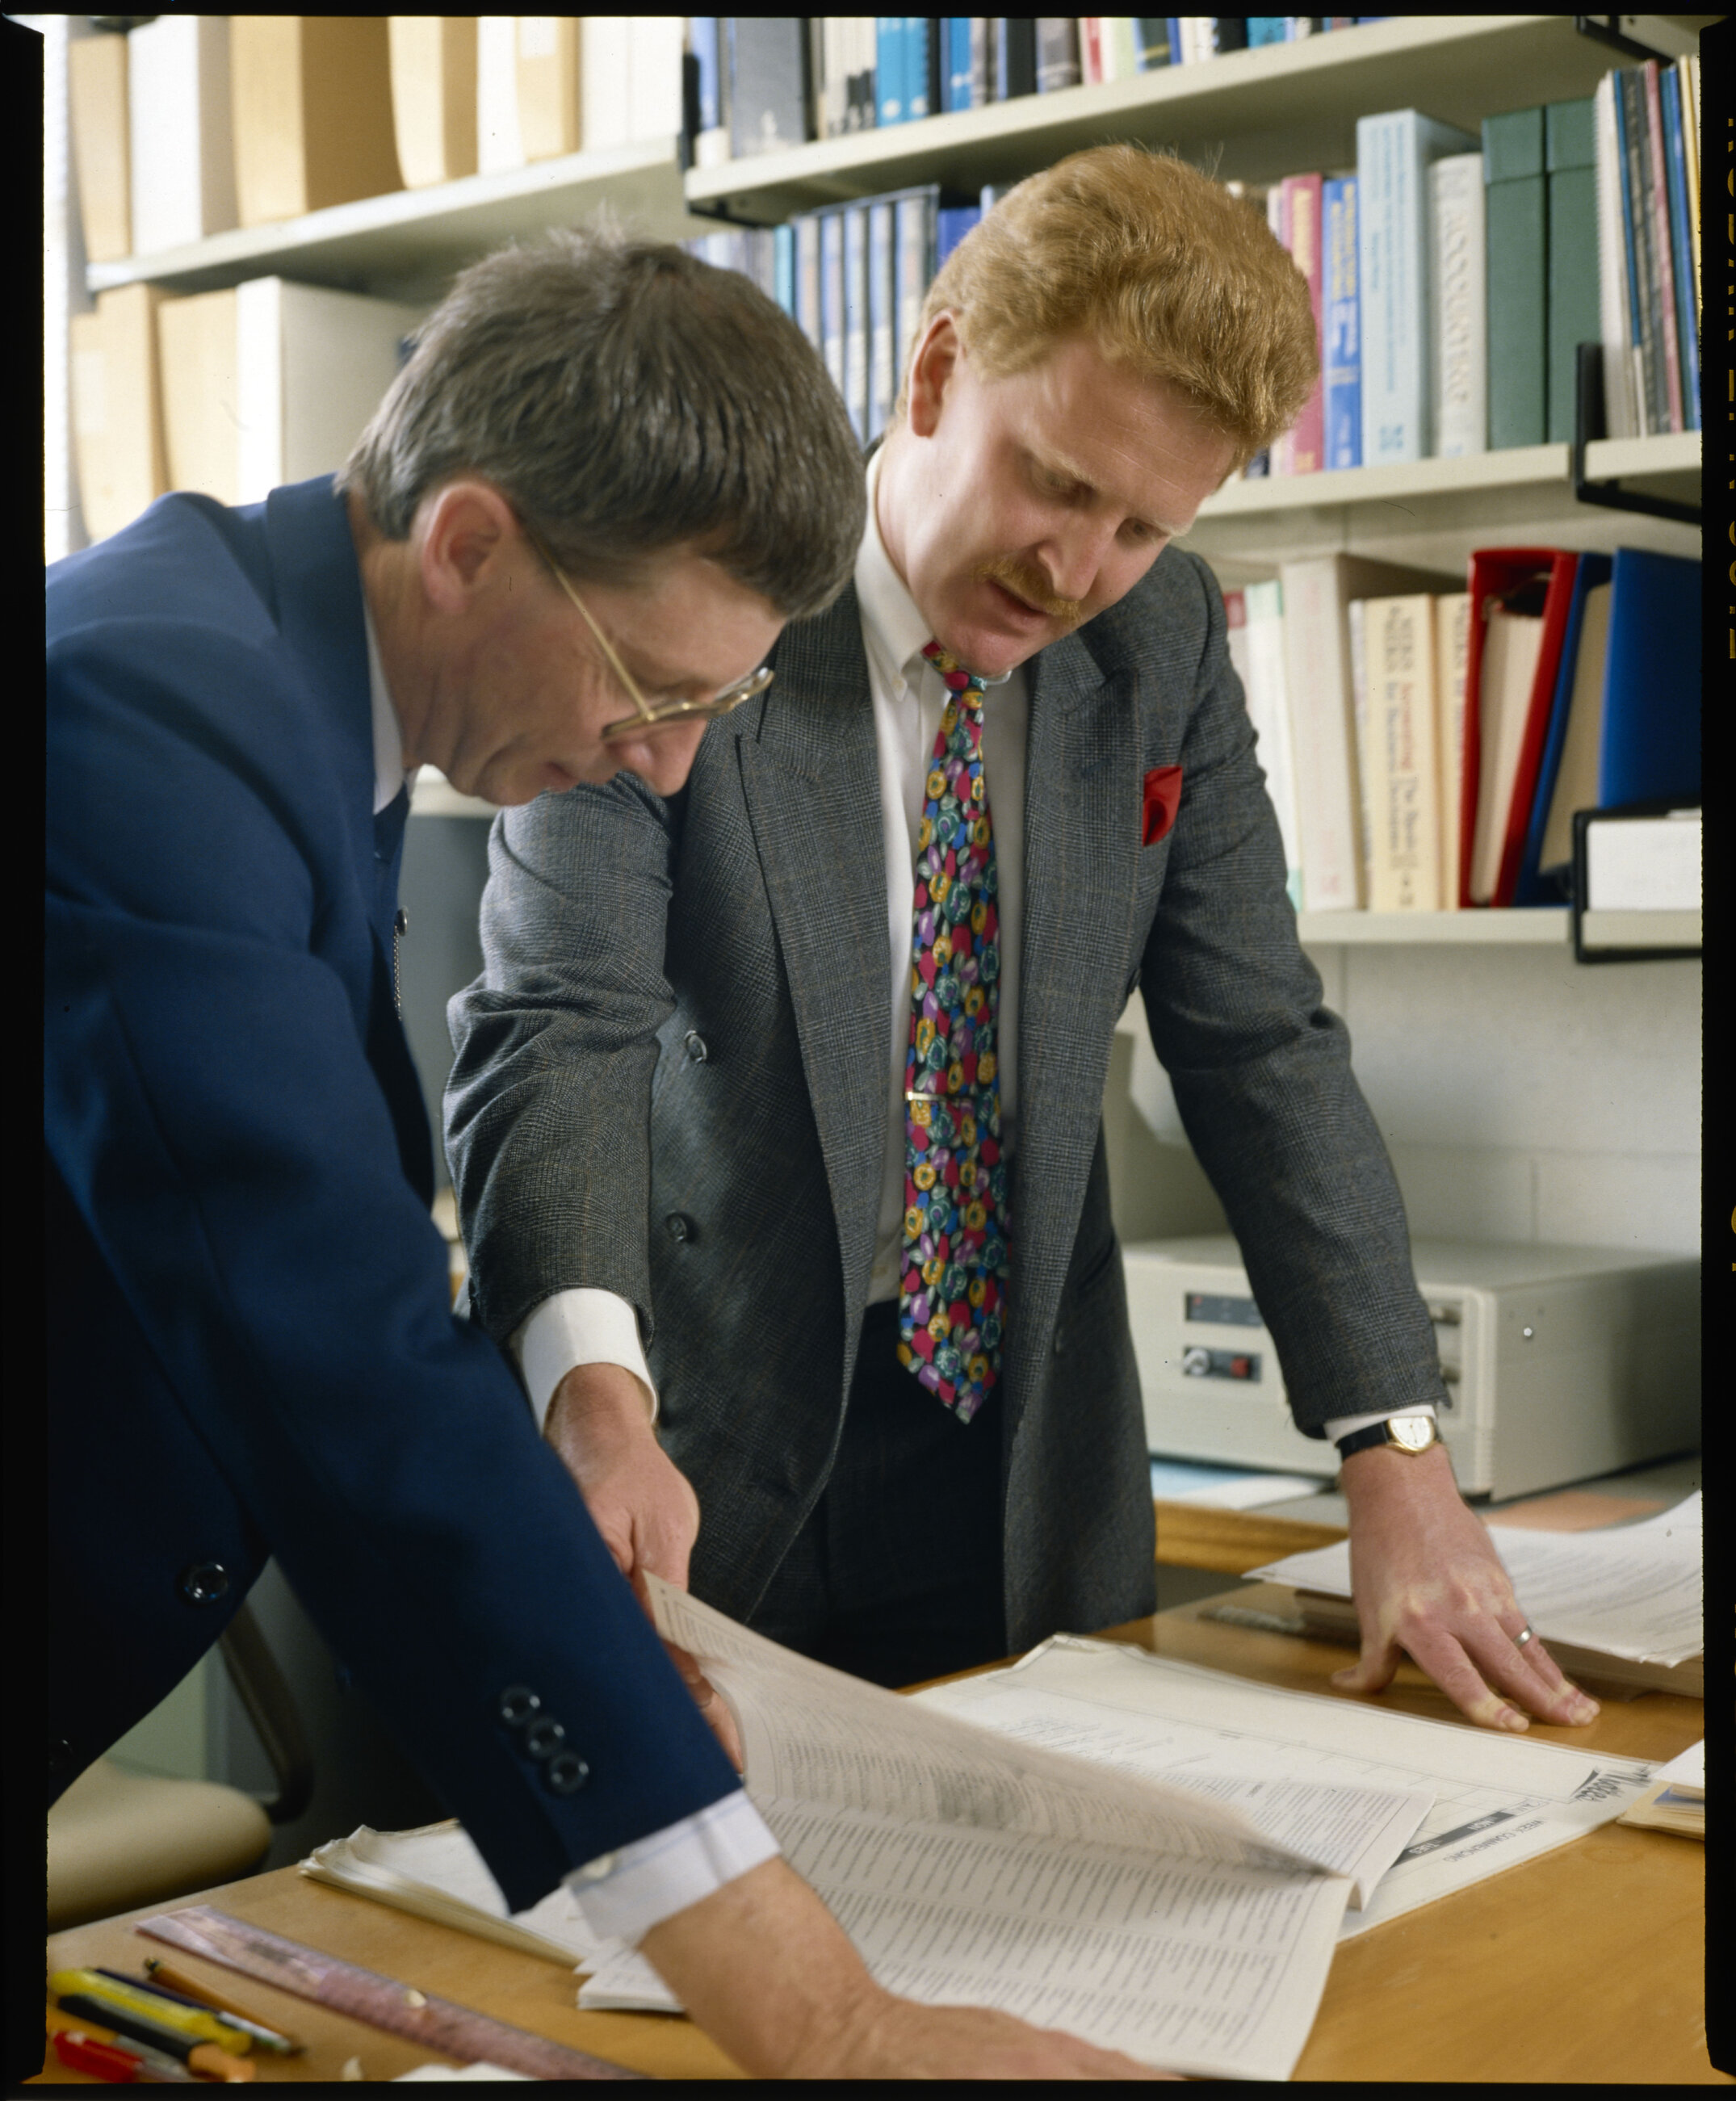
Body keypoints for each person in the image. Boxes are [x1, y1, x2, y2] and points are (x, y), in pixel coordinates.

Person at [45, 229, 1159, 2080]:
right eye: (649, 688)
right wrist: (841, 2030)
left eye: (710, 714)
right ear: (469, 539)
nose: (659, 769)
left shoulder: (276, 684)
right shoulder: (147, 721)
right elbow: (343, 1358)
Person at [447, 150, 1600, 1739]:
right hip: (678, 1435)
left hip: (1013, 1458)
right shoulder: (689, 584)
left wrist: (1393, 1450)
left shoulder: (1162, 639)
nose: (1077, 571)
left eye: (1139, 523)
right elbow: (556, 1021)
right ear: (934, 370)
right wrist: (590, 1394)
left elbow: (1257, 1041)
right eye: (1056, 482)